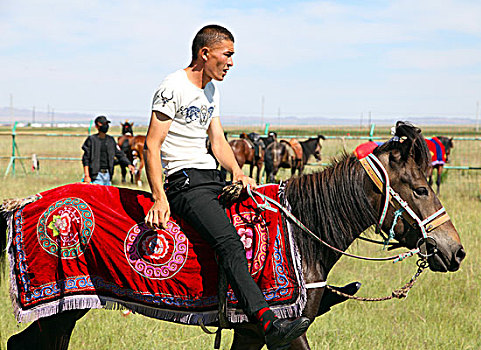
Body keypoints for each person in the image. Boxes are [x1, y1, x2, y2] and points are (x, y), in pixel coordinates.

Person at [143, 24, 310, 349]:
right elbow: (152, 145)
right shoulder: (172, 86)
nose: (231, 62)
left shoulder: (211, 90)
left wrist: (236, 172)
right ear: (205, 53)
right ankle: (266, 322)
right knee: (231, 244)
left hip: (211, 178)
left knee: (268, 219)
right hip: (184, 183)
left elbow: (216, 139)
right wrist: (159, 198)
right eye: (227, 54)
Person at [82, 115, 135, 185]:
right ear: (97, 126)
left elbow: (119, 154)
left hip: (108, 175)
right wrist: (87, 175)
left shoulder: (110, 140)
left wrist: (128, 164)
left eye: (106, 124)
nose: (105, 126)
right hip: (96, 175)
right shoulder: (91, 140)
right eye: (103, 124)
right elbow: (86, 159)